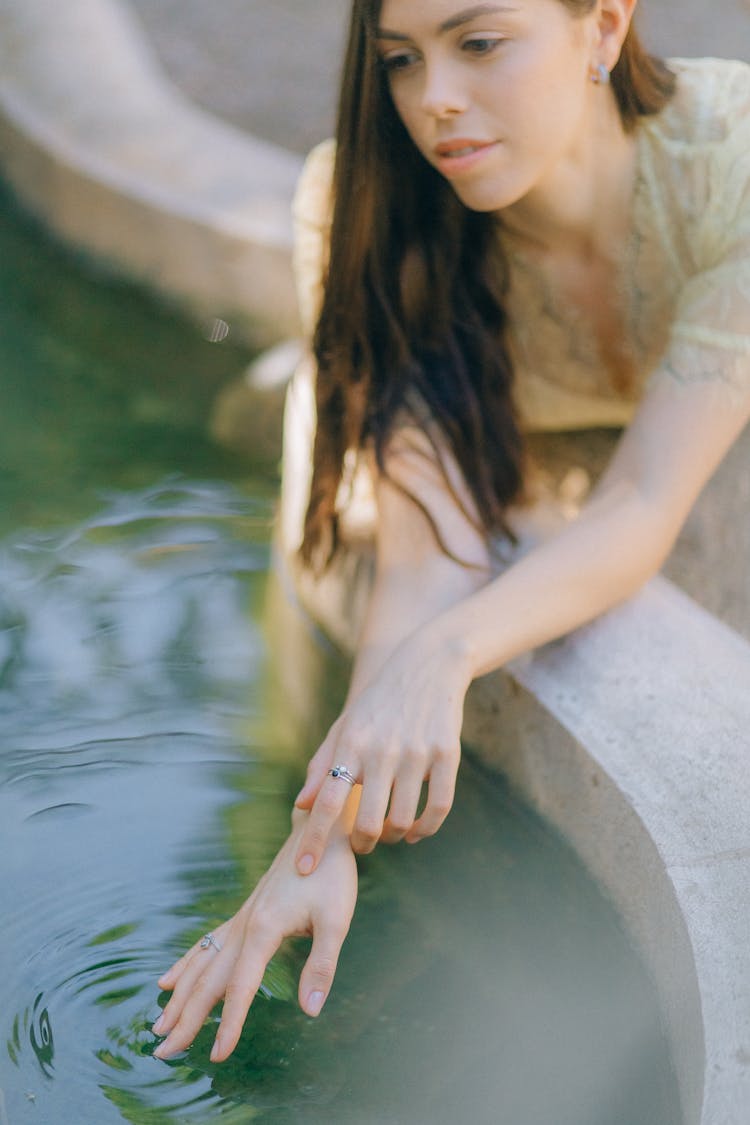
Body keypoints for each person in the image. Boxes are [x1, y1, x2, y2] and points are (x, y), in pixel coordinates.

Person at [152, 0, 750, 1063]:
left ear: (604, 27)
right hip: (525, 447)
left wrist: (453, 649)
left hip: (689, 441)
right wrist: (318, 839)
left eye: (478, 44)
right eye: (399, 61)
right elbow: (429, 542)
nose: (434, 102)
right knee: (299, 429)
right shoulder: (367, 204)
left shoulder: (731, 167)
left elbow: (646, 499)